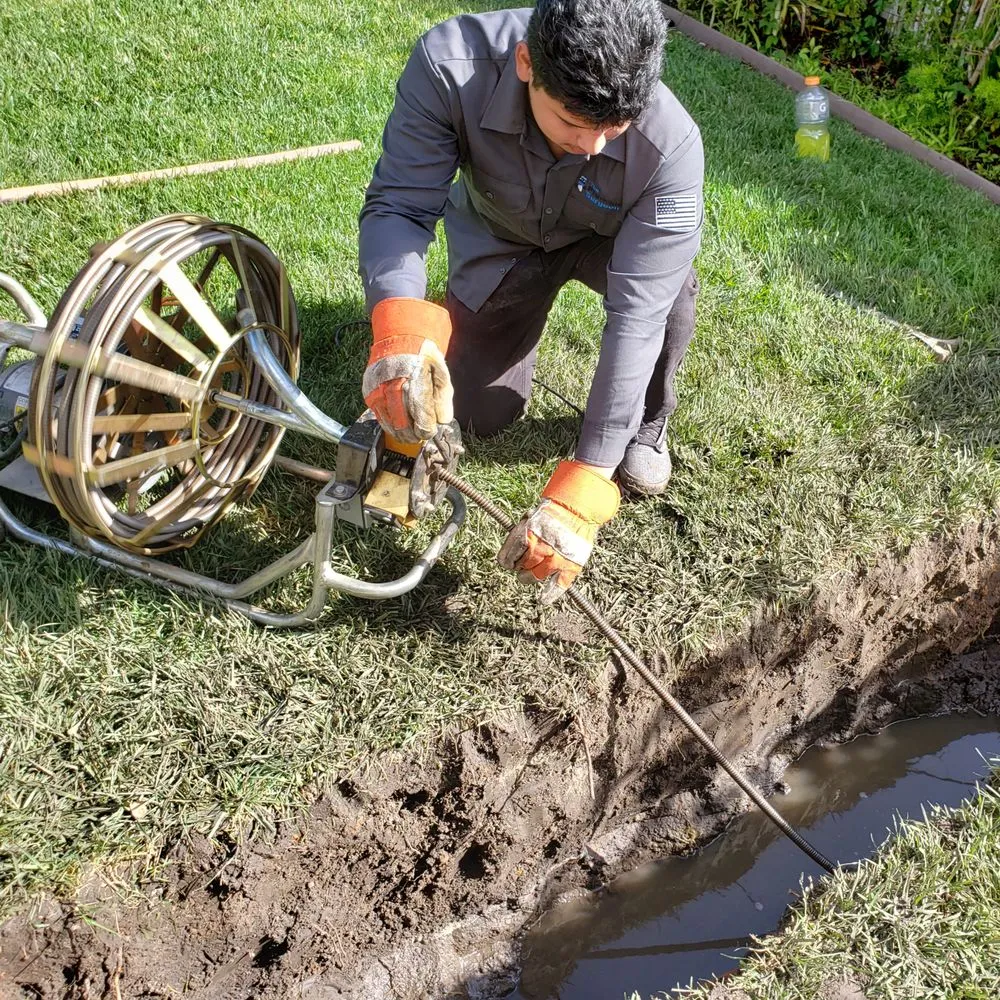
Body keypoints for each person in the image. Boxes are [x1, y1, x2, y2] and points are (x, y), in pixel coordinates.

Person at [358, 0, 703, 603]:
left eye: (615, 127)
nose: (593, 145)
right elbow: (401, 207)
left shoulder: (671, 146)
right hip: (504, 238)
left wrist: (588, 480)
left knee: (669, 297)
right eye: (571, 120)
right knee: (475, 413)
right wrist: (400, 331)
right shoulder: (449, 65)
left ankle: (647, 425)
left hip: (608, 243)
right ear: (525, 62)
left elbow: (638, 312)